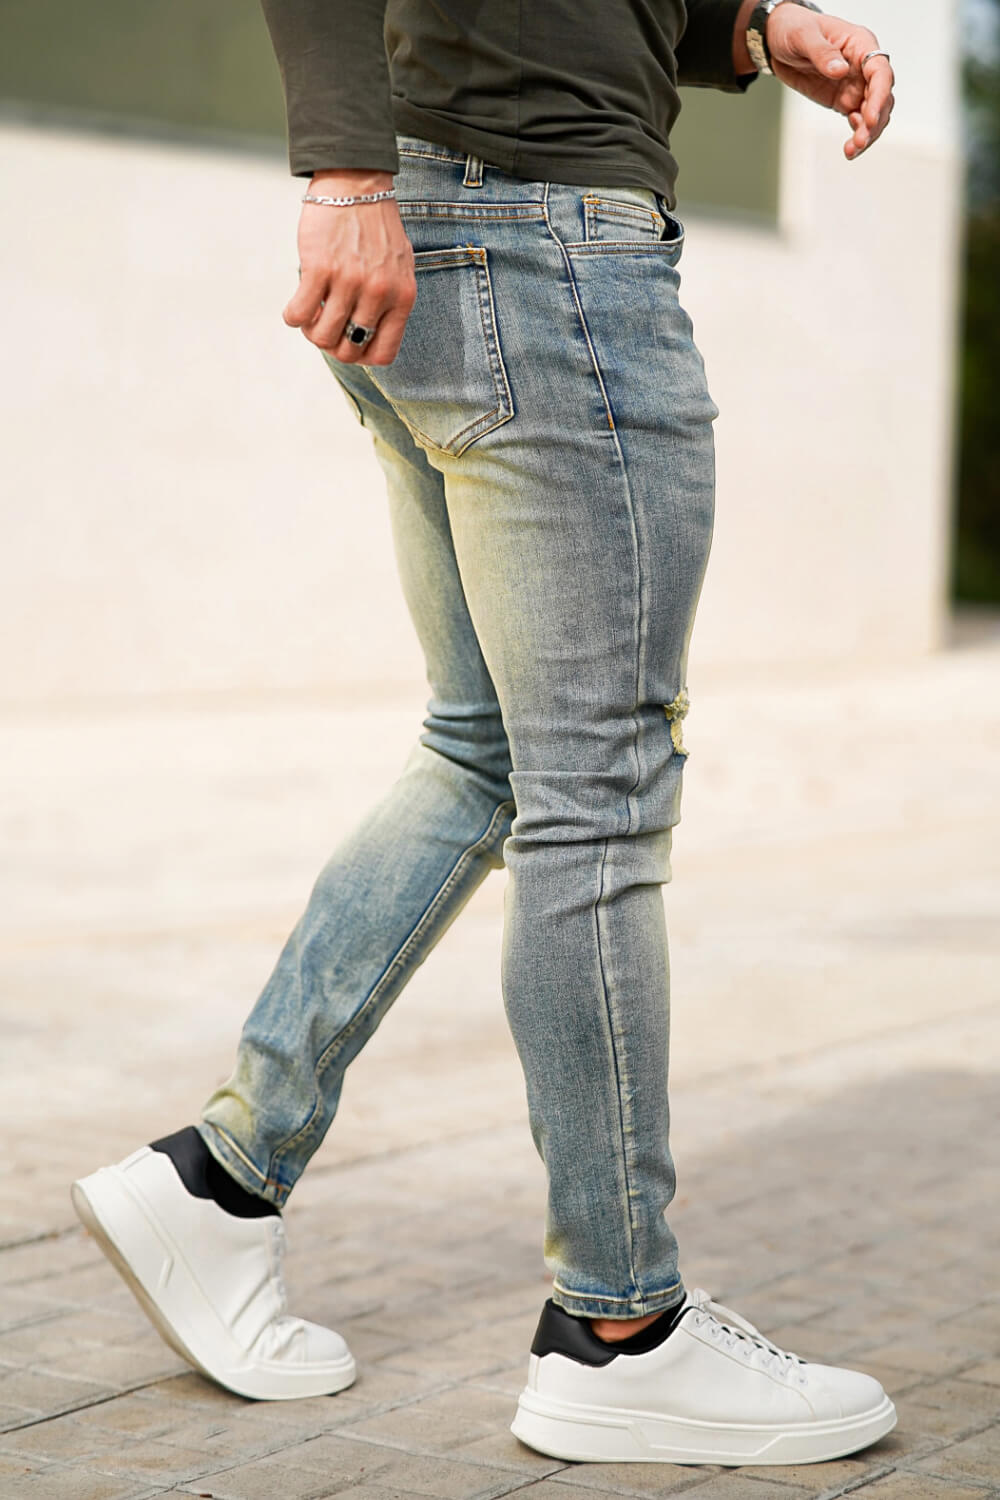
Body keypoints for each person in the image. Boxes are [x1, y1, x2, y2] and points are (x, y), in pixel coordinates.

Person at [71, 0, 899, 1467]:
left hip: (470, 233)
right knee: (597, 796)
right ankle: (620, 1329)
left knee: (488, 753)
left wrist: (743, 25)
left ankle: (223, 1176)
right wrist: (343, 172)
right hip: (540, 248)